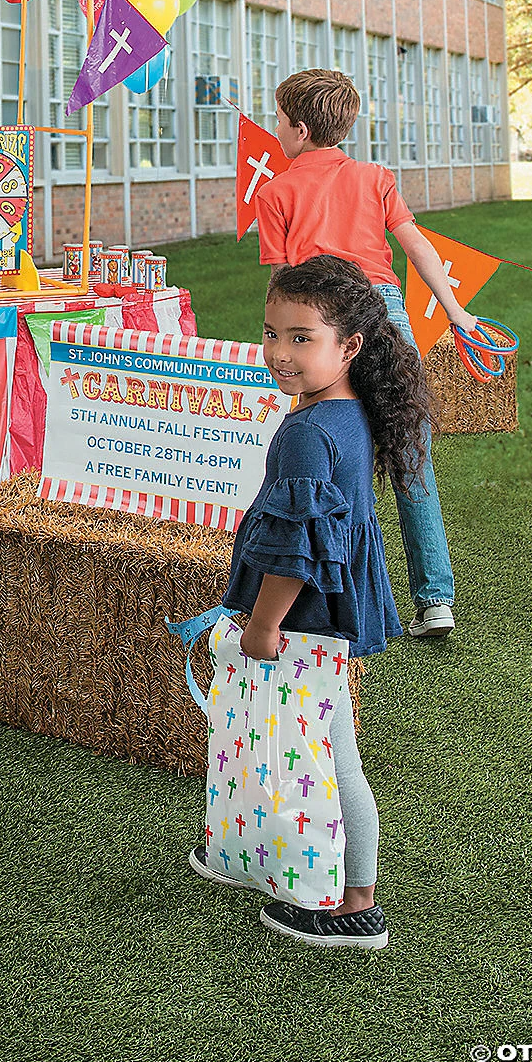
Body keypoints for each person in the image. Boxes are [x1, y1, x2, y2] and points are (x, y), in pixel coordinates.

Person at [190, 255, 423, 949]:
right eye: (271, 333)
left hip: (304, 619)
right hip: (332, 609)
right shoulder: (345, 411)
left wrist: (263, 624)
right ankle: (258, 850)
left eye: (301, 338)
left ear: (348, 346)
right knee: (319, 746)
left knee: (325, 756)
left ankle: (352, 903)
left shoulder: (306, 432)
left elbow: (296, 544)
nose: (279, 353)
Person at [252, 68, 476, 639]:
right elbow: (417, 246)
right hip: (385, 313)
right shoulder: (376, 176)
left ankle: (325, 597)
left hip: (322, 322)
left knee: (323, 457)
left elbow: (285, 285)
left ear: (299, 129)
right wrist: (456, 312)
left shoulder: (276, 192)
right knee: (409, 458)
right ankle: (436, 602)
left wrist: (284, 339)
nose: (275, 130)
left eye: (278, 120)